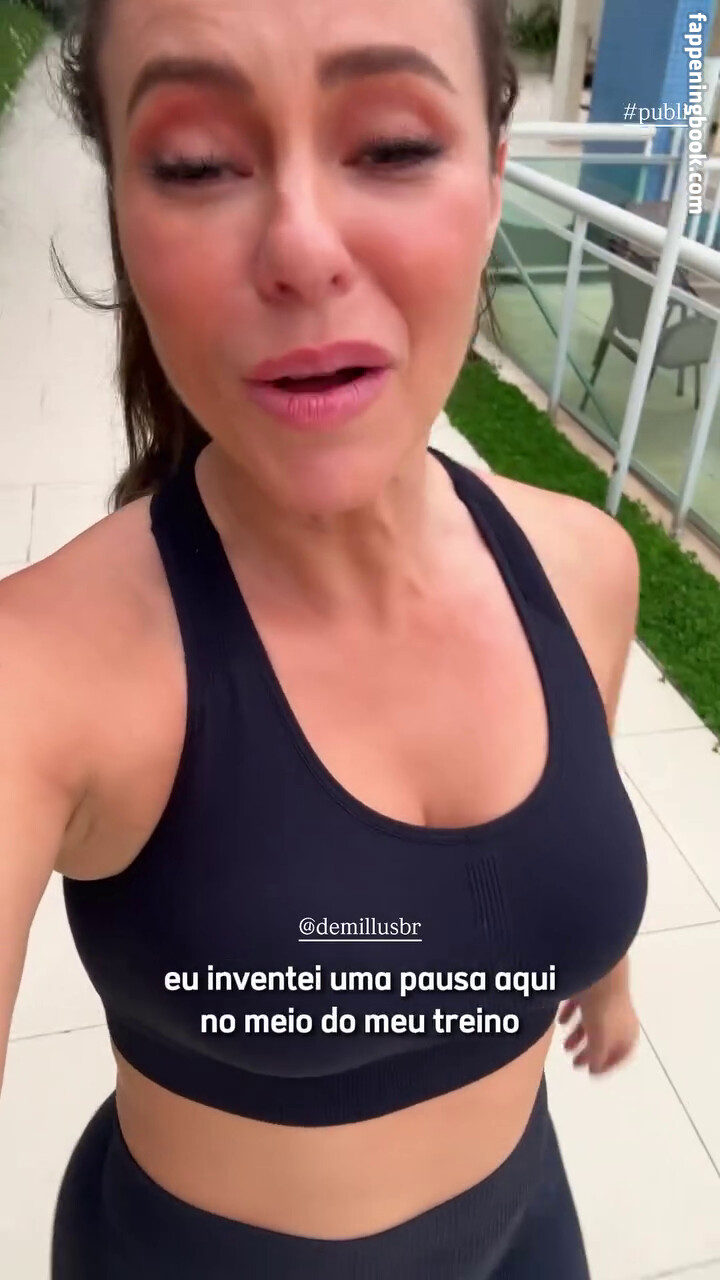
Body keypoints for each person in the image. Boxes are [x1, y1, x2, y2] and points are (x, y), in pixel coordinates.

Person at [0, 0, 649, 1275]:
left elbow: (567, 829)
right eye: (197, 163)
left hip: (531, 1235)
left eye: (394, 146)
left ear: (496, 176)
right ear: (124, 208)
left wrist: (604, 971)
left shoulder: (584, 567)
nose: (302, 246)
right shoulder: (42, 678)